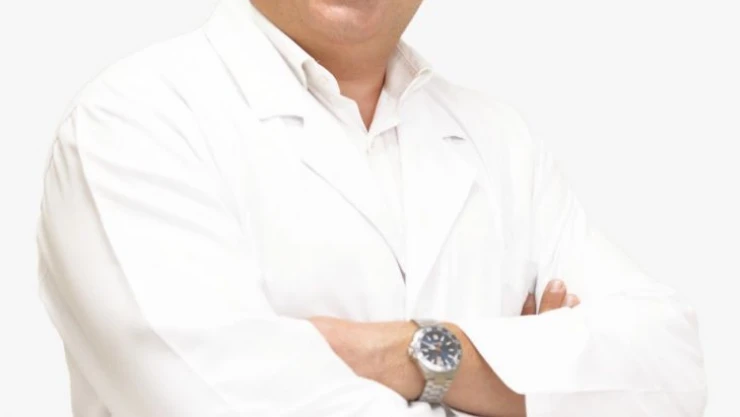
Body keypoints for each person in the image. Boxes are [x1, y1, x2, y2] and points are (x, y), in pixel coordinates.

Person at [36, 0, 707, 416]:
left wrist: (402, 352)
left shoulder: (502, 142)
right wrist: (521, 384)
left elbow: (671, 373)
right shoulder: (132, 123)